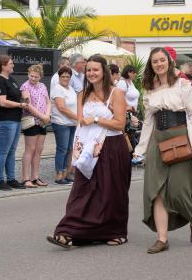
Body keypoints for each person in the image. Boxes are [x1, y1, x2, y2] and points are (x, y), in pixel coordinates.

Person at [47, 55, 131, 248]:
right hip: (88, 149)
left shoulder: (116, 93)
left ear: (104, 72)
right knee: (82, 190)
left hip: (112, 146)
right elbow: (80, 125)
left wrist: (95, 119)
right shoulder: (82, 94)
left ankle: (116, 231)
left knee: (112, 191)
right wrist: (78, 154)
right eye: (89, 70)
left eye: (96, 70)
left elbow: (119, 124)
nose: (92, 73)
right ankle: (68, 232)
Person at [133, 47, 192, 254]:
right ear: (151, 64)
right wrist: (140, 150)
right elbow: (148, 121)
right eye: (154, 61)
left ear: (169, 61)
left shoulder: (183, 84)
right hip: (158, 141)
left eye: (161, 60)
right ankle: (162, 238)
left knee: (180, 189)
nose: (158, 64)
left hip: (180, 138)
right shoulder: (148, 88)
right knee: (156, 191)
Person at [0, 55, 26, 190]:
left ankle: (11, 178)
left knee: (12, 151)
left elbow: (19, 94)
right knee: (3, 151)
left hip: (16, 119)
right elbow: (2, 102)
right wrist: (19, 105)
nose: (13, 65)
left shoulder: (11, 79)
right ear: (3, 66)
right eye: (11, 63)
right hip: (6, 120)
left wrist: (25, 96)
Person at [19, 63, 51, 187]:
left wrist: (47, 116)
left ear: (40, 77)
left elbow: (48, 102)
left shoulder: (43, 86)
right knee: (30, 149)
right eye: (31, 76)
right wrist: (43, 116)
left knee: (39, 149)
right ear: (28, 74)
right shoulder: (25, 87)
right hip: (32, 120)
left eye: (36, 77)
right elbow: (28, 105)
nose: (33, 78)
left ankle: (35, 177)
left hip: (43, 121)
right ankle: (25, 178)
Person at [49, 66, 78, 184]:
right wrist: (78, 118)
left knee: (70, 149)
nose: (65, 78)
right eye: (63, 76)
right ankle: (59, 175)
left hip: (72, 123)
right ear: (59, 77)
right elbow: (62, 108)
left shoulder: (71, 89)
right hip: (61, 123)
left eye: (68, 76)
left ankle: (66, 173)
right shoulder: (57, 88)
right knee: (62, 148)